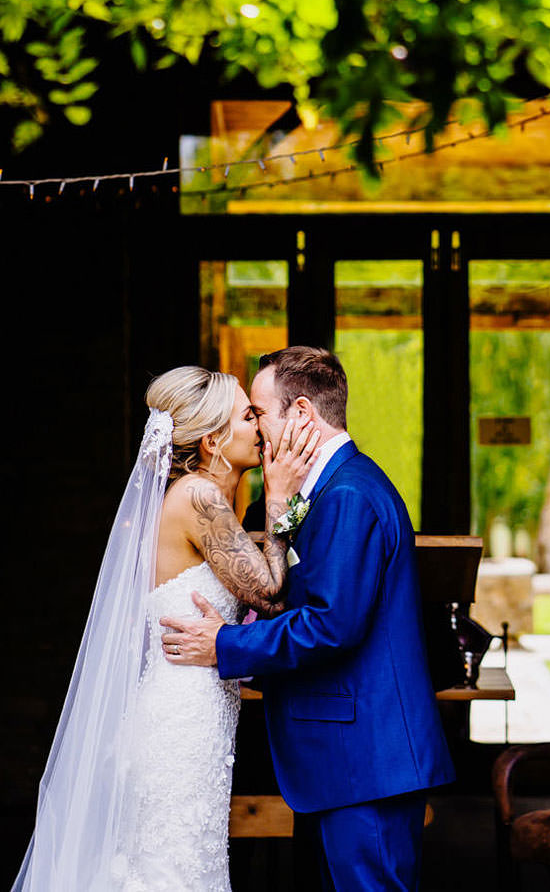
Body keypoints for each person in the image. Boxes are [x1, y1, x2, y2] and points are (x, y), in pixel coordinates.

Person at [11, 365, 324, 892]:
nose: (260, 426)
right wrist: (281, 499)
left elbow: (262, 601)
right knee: (172, 866)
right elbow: (269, 591)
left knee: (184, 859)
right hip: (182, 712)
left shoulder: (212, 497)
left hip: (197, 702)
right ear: (212, 442)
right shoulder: (198, 498)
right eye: (248, 416)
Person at [161, 346, 455, 891]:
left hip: (365, 764)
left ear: (299, 414)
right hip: (343, 764)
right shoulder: (322, 492)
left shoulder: (348, 495)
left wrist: (225, 646)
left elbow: (330, 624)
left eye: (259, 412)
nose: (255, 426)